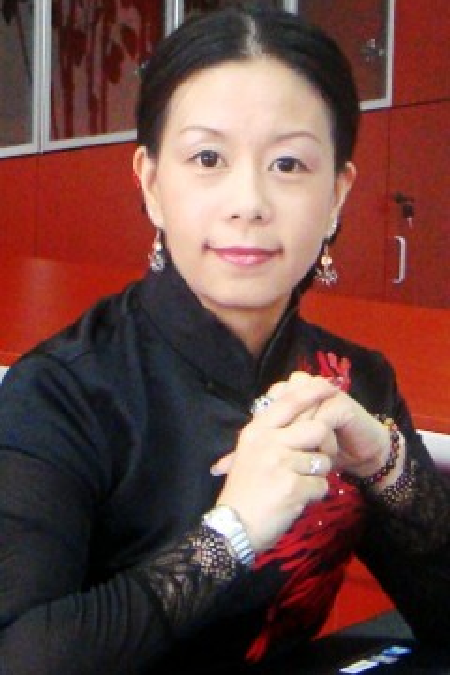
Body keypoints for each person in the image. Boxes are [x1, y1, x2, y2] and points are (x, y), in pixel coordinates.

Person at [1, 5, 449, 674]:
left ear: (337, 194)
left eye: (289, 164)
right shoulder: (64, 394)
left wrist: (385, 464)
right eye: (208, 158)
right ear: (152, 183)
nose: (249, 203)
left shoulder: (353, 383)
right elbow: (17, 656)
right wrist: (230, 533)